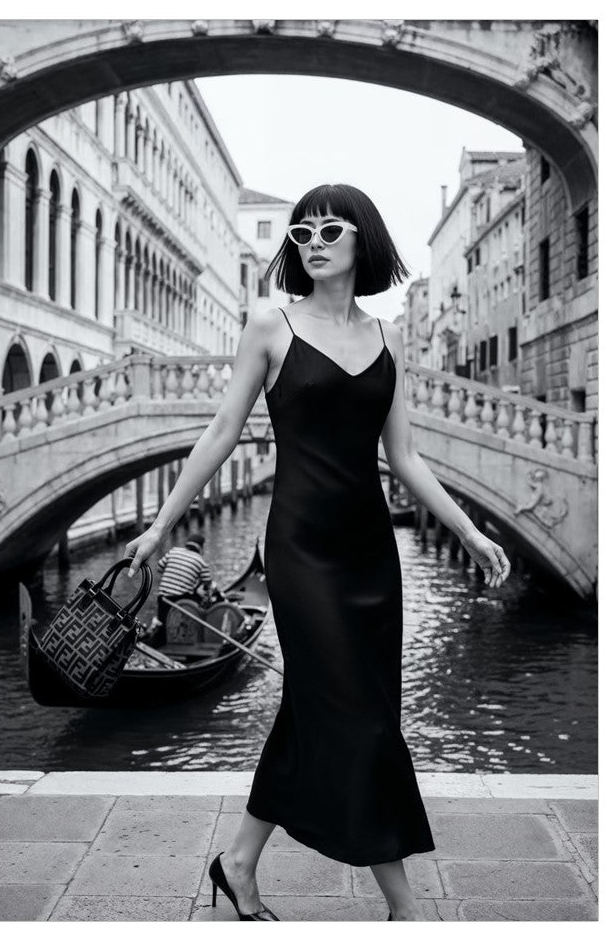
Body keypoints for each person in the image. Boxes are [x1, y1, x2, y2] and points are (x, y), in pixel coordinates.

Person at [123, 183, 511, 921]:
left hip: (369, 552)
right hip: (299, 548)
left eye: (329, 228)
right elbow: (220, 432)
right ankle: (403, 905)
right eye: (301, 231)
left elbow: (403, 455)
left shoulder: (387, 337)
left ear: (362, 239)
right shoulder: (269, 323)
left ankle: (237, 864)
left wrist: (467, 529)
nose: (312, 240)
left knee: (315, 711)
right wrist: (159, 526)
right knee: (359, 717)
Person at [153, 534, 213, 633]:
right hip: (182, 598)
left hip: (163, 596)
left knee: (163, 623)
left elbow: (159, 568)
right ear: (201, 547)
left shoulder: (173, 551)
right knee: (202, 602)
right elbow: (208, 581)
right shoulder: (200, 560)